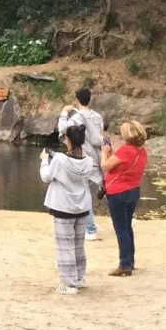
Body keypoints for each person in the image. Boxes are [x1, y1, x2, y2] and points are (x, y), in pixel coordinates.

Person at [40, 122, 97, 295]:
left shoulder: (58, 160)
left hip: (63, 207)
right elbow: (71, 161)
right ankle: (79, 278)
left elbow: (46, 177)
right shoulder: (88, 162)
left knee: (64, 245)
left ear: (68, 141)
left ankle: (69, 284)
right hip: (82, 207)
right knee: (78, 244)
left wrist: (44, 161)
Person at [101, 120, 150, 276]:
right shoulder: (141, 151)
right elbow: (121, 163)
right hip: (133, 190)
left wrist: (104, 153)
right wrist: (112, 154)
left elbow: (105, 166)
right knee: (127, 226)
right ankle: (130, 260)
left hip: (118, 192)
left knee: (120, 228)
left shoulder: (125, 151)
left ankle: (125, 264)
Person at [57, 87, 105, 240]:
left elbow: (62, 128)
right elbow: (99, 134)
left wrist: (64, 112)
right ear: (90, 99)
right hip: (97, 159)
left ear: (76, 100)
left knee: (84, 195)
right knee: (98, 191)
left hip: (82, 158)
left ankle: (90, 229)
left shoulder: (76, 117)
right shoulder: (97, 116)